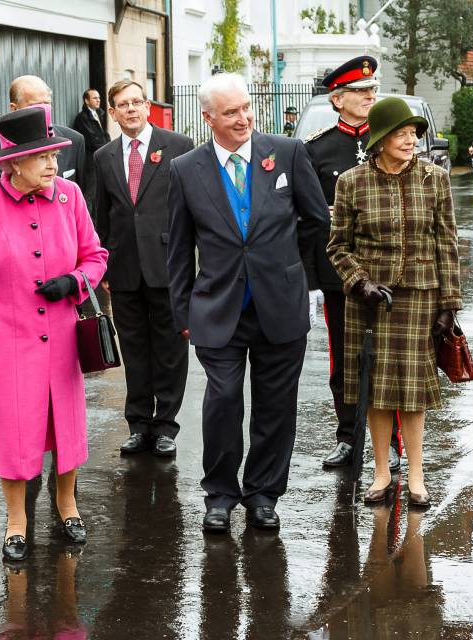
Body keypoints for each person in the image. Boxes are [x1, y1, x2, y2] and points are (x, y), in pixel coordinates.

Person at [167, 73, 330, 534]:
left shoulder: (288, 154)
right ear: (208, 118)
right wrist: (183, 312)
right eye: (231, 112)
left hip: (280, 305)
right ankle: (219, 494)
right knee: (222, 401)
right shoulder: (186, 169)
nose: (244, 119)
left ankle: (263, 494)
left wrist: (291, 275)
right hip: (218, 308)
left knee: (275, 405)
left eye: (247, 108)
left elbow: (317, 222)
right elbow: (178, 250)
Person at [0, 104, 108, 560]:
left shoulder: (69, 196)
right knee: (15, 432)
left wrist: (74, 282)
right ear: (15, 162)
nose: (52, 164)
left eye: (55, 155)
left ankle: (67, 504)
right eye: (42, 157)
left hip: (60, 336)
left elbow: (95, 256)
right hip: (3, 339)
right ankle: (16, 519)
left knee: (66, 426)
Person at [327, 97, 462, 507]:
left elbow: (447, 242)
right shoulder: (351, 181)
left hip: (421, 297)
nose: (411, 141)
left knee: (415, 392)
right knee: (377, 391)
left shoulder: (434, 179)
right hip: (371, 302)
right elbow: (337, 246)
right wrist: (359, 282)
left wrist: (449, 303)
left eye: (413, 134)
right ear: (381, 139)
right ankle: (381, 472)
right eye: (402, 134)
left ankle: (417, 476)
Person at [303, 55, 401, 471]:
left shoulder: (392, 142)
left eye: (372, 90)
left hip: (387, 270)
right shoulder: (317, 149)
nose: (369, 96)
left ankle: (394, 441)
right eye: (361, 92)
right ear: (337, 99)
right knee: (344, 359)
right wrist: (311, 277)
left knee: (389, 358)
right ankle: (347, 436)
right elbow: (309, 218)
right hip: (340, 273)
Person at [93, 79, 192, 458]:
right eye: (123, 104)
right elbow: (101, 214)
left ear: (147, 106)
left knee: (170, 348)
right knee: (133, 350)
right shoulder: (103, 157)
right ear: (113, 112)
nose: (131, 109)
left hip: (168, 265)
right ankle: (138, 423)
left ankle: (165, 425)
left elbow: (192, 210)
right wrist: (100, 264)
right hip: (124, 268)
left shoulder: (178, 147)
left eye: (137, 102)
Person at [0, 75, 86, 189]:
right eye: (35, 106)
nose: (43, 111)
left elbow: (86, 194)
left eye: (47, 104)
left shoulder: (74, 140)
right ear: (14, 108)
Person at [71, 88, 110, 219]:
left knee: (99, 192)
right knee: (90, 193)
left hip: (99, 158)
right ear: (86, 101)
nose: (98, 100)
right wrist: (108, 148)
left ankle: (95, 221)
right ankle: (87, 222)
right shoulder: (82, 118)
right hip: (89, 161)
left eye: (99, 98)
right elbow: (92, 140)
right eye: (94, 98)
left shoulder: (99, 114)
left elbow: (103, 134)